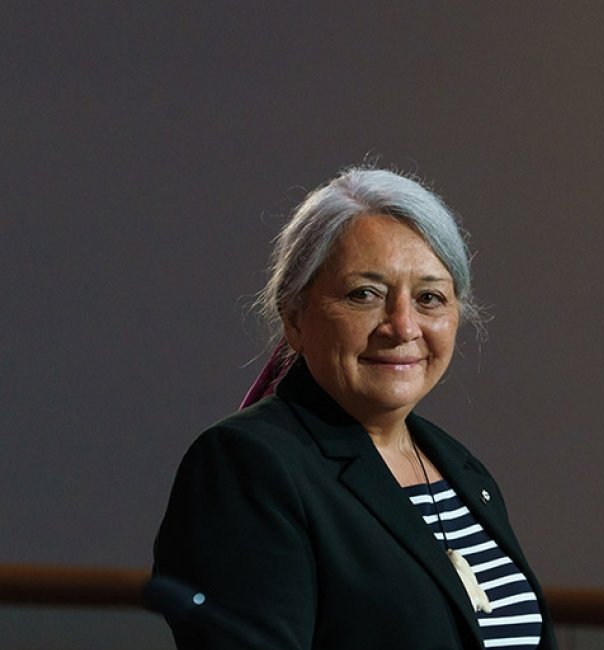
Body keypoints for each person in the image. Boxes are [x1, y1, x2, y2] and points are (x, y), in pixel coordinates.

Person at [154, 167, 555, 649]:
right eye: (365, 295)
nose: (402, 326)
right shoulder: (249, 466)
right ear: (295, 316)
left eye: (429, 298)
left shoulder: (463, 472)